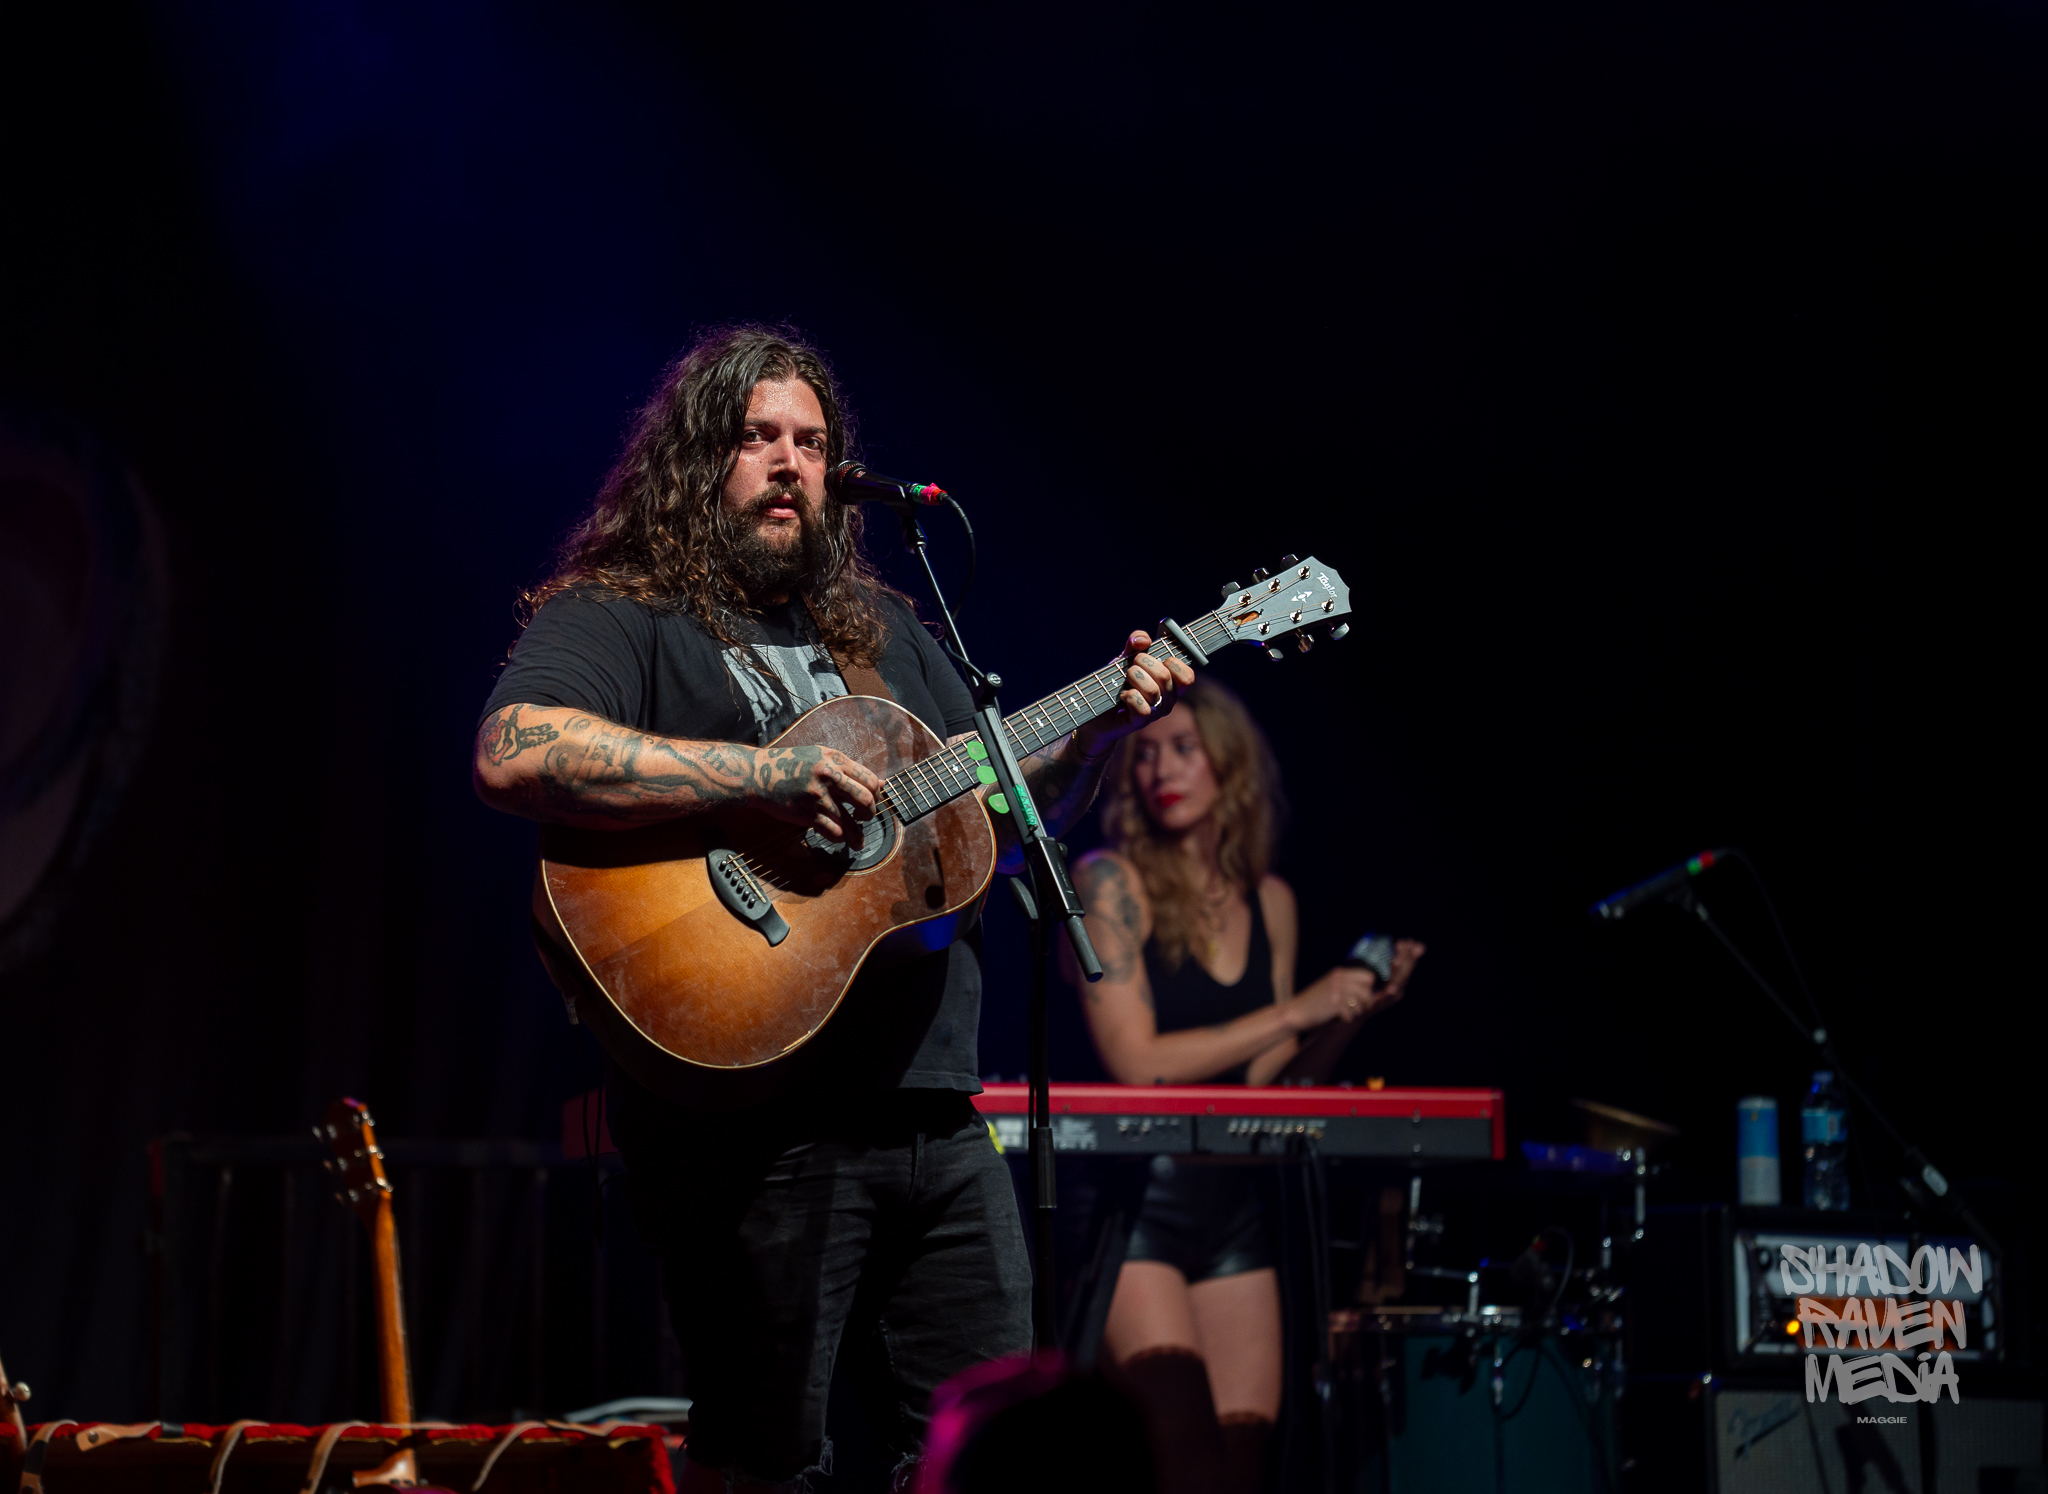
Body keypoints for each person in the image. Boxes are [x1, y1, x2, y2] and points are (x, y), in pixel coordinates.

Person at [471, 325, 1192, 1492]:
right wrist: (761, 776)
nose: (789, 461)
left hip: (931, 1109)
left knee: (992, 1452)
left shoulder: (888, 630)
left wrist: (1099, 731)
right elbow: (512, 753)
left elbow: (988, 825)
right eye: (758, 437)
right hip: (752, 1116)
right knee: (767, 1460)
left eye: (810, 442)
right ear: (699, 459)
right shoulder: (621, 612)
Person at [1066, 678, 1424, 1494]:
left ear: (1230, 767)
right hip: (1137, 1208)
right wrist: (1297, 1007)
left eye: (1184, 749)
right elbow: (1138, 1061)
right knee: (1183, 1455)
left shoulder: (1272, 900)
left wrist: (1346, 1015)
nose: (1161, 767)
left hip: (1235, 1210)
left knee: (1243, 1466)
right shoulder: (1107, 881)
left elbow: (1275, 1085)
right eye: (1145, 752)